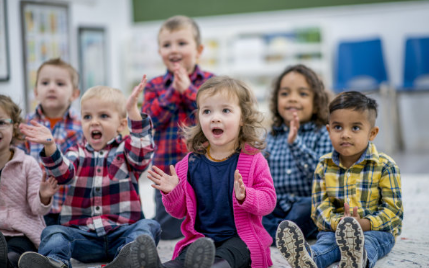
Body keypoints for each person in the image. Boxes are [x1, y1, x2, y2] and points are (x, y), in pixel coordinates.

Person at [132, 76, 277, 268]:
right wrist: (173, 191)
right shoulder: (189, 163)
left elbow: (269, 201)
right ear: (199, 117)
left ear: (242, 118)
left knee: (232, 255)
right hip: (200, 239)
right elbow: (178, 212)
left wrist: (246, 196)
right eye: (207, 111)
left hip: (240, 238)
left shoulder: (253, 159)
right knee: (182, 260)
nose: (215, 117)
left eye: (225, 110)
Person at [18, 77, 160, 268]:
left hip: (121, 232)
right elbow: (63, 174)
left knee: (149, 226)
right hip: (83, 237)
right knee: (53, 232)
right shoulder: (75, 151)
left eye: (103, 116)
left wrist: (133, 110)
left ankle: (131, 257)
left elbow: (142, 153)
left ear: (120, 124)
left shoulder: (126, 150)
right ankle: (54, 262)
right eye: (87, 117)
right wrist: (50, 145)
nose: (94, 122)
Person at [276, 91, 403, 268]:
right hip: (335, 229)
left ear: (372, 133)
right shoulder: (324, 165)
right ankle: (308, 258)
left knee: (371, 243)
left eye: (355, 128)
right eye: (338, 127)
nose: (345, 134)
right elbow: (319, 209)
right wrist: (341, 225)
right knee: (326, 243)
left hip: (376, 231)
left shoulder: (386, 166)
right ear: (329, 130)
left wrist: (364, 224)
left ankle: (359, 259)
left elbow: (394, 212)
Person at [141, 15, 215, 240]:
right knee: (167, 230)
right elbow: (149, 122)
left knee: (207, 224)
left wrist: (190, 91)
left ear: (199, 49)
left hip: (206, 169)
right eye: (166, 45)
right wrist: (174, 91)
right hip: (166, 170)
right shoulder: (153, 86)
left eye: (182, 43)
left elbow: (214, 117)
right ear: (159, 51)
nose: (174, 50)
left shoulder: (211, 82)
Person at [262, 64, 332, 243]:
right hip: (277, 204)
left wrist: (296, 144)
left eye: (302, 94)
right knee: (248, 210)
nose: (292, 99)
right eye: (285, 94)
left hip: (306, 204)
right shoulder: (270, 136)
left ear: (316, 104)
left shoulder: (324, 134)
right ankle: (285, 232)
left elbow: (322, 176)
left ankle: (276, 233)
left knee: (315, 208)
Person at [19, 58, 83, 226]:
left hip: (73, 207)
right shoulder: (27, 125)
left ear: (75, 93)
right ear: (36, 91)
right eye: (45, 83)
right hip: (35, 206)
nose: (52, 87)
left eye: (60, 84)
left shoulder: (82, 125)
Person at [0, 95, 58, 268]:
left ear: (15, 127)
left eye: (1, 122)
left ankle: (9, 262)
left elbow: (37, 208)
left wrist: (43, 196)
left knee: (15, 255)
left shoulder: (27, 164)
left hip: (21, 234)